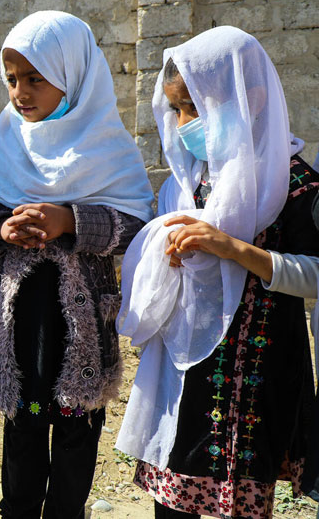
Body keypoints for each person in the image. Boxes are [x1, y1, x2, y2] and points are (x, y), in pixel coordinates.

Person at [0, 11, 154, 519]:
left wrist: (70, 220)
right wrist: (0, 228)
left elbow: (138, 228)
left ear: (72, 75)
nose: (20, 93)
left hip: (80, 331)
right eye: (11, 80)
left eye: (34, 79)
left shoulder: (108, 149)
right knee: (23, 422)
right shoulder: (6, 140)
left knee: (76, 427)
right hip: (22, 325)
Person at [115, 26, 319, 518]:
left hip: (257, 372)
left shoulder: (294, 183)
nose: (184, 123)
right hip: (188, 369)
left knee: (243, 497)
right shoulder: (191, 181)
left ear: (250, 99)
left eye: (194, 107)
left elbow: (314, 275)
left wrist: (234, 249)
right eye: (176, 110)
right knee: (173, 494)